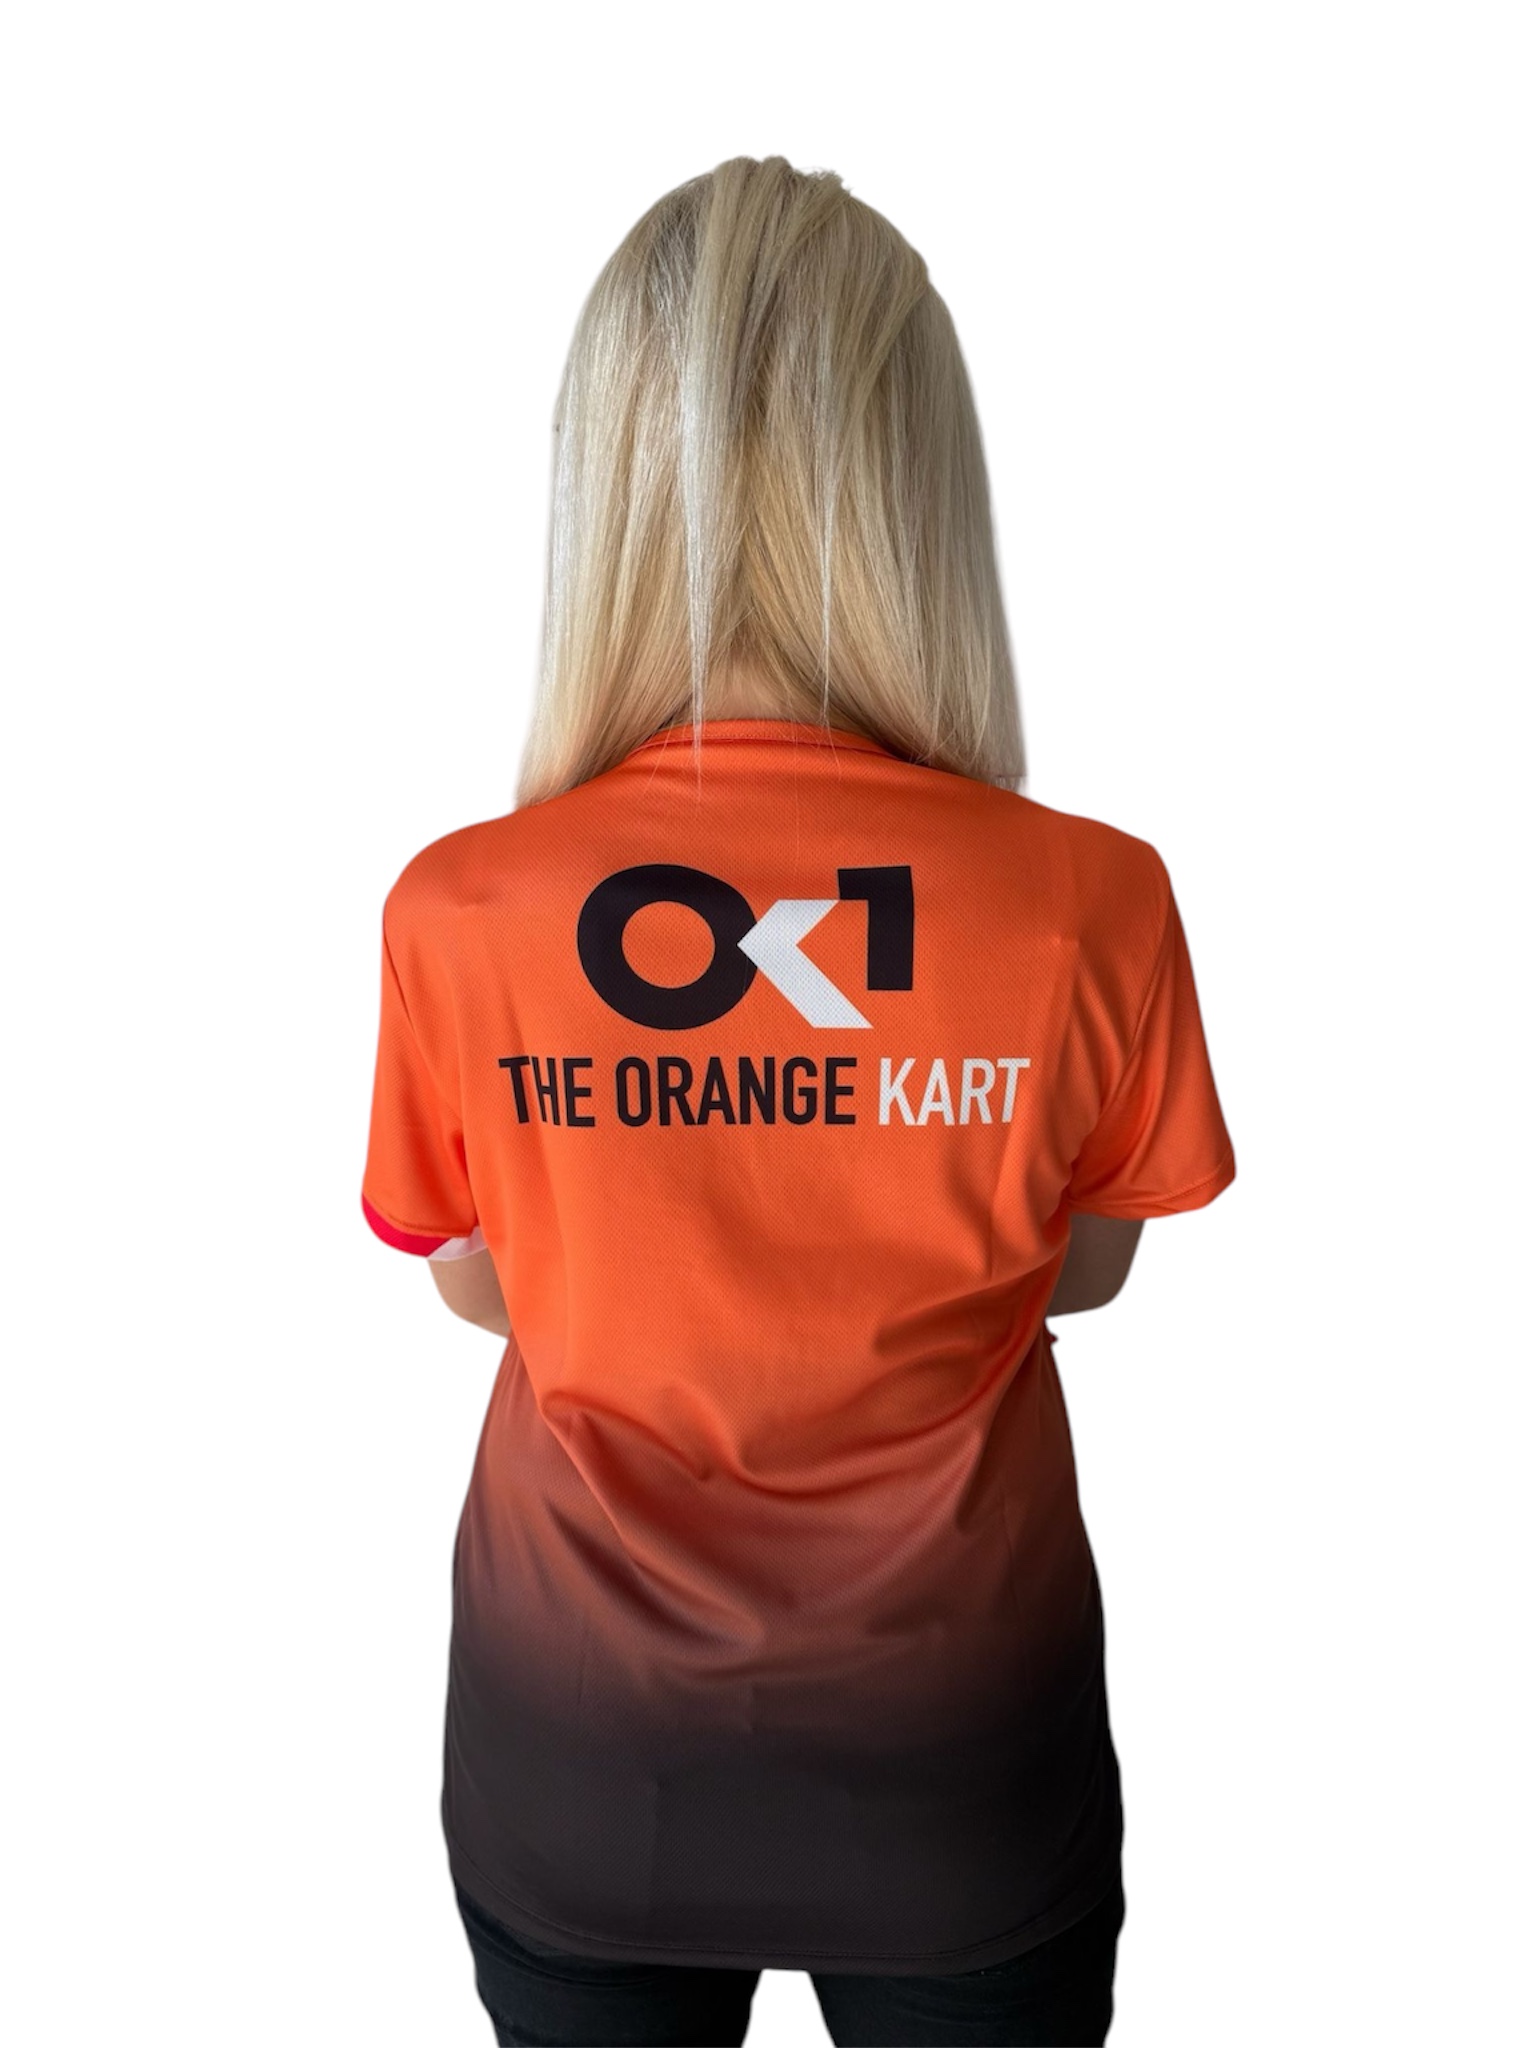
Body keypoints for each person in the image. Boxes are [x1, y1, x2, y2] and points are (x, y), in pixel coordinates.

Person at [360, 154, 1235, 2048]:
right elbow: (1087, 1270)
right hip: (956, 1771)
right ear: (917, 488)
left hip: (581, 1765)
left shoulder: (462, 910)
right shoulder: (1088, 899)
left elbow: (475, 1285)